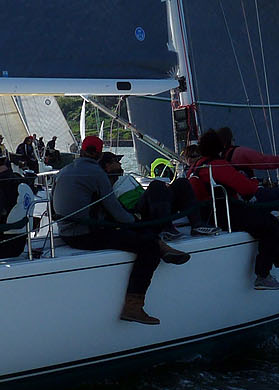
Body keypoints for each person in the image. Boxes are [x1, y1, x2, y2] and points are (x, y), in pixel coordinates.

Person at [51, 135, 187, 325]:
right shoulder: (96, 173)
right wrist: (136, 222)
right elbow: (114, 209)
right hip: (86, 235)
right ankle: (133, 306)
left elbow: (52, 208)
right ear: (99, 154)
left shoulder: (62, 172)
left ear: (81, 151)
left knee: (135, 234)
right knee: (148, 248)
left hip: (66, 233)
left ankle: (162, 246)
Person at [188, 129, 279, 290]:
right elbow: (247, 188)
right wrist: (255, 182)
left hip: (206, 215)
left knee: (264, 223)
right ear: (218, 147)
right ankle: (263, 275)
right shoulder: (218, 165)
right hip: (225, 212)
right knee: (270, 224)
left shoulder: (194, 167)